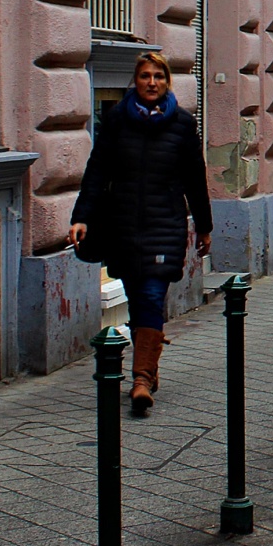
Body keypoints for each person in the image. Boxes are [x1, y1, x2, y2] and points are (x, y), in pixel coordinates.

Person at [69, 52, 213, 418]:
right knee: (138, 298)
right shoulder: (117, 120)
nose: (152, 82)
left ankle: (141, 379)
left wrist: (205, 226)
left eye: (158, 77)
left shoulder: (182, 123)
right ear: (135, 81)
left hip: (166, 222)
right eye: (145, 76)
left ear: (167, 82)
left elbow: (195, 178)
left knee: (151, 294)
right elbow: (97, 170)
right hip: (123, 224)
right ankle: (149, 362)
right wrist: (81, 217)